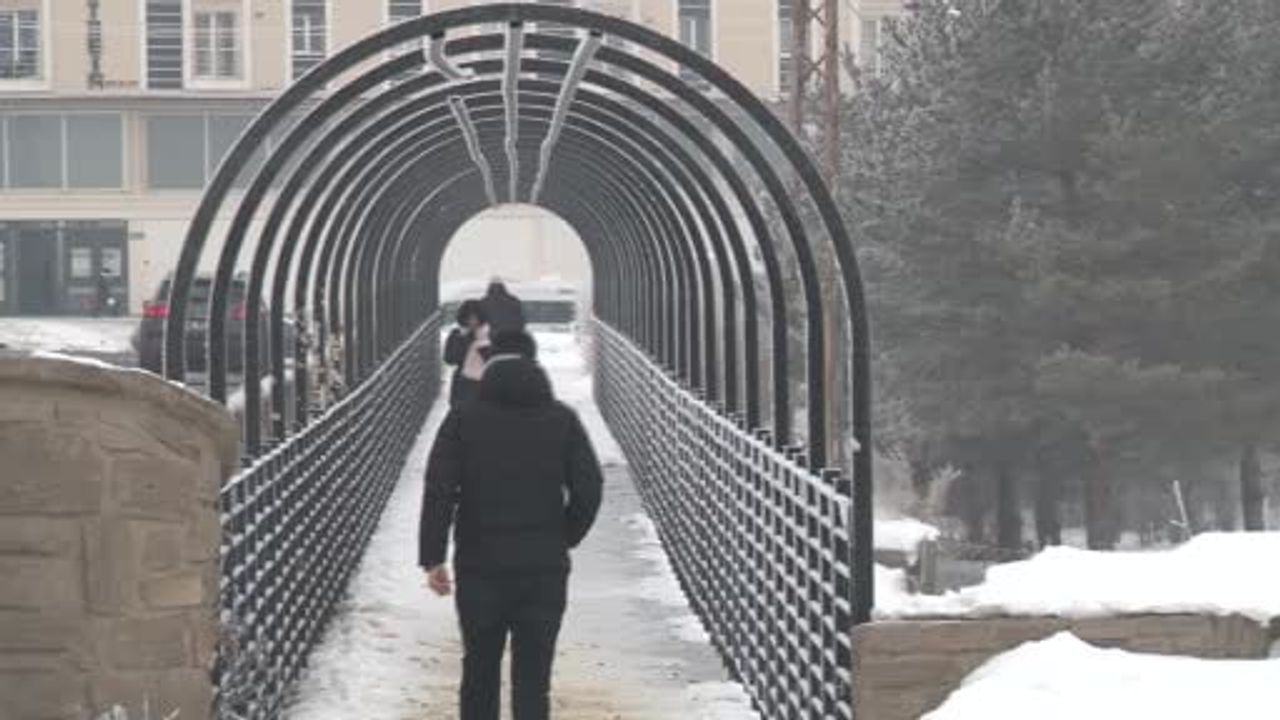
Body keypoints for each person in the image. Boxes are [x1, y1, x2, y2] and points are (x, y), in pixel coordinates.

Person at [419, 353, 604, 720]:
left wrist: (433, 556)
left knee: (479, 666)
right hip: (543, 567)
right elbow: (589, 486)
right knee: (535, 675)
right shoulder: (561, 420)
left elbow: (439, 489)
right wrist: (564, 535)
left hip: (479, 563)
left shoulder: (463, 420)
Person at [443, 300, 490, 407]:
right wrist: (464, 340)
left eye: (475, 317)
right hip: (463, 382)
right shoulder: (456, 334)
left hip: (483, 382)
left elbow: (491, 359)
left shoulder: (489, 334)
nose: (472, 322)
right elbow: (449, 359)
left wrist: (482, 342)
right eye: (469, 318)